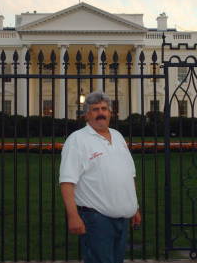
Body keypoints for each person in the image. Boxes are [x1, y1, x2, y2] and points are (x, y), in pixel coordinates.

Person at [59, 91, 141, 263]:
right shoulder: (77, 140)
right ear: (87, 115)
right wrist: (73, 216)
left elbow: (129, 175)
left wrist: (135, 207)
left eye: (104, 109)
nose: (101, 113)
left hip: (123, 219)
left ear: (111, 112)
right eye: (95, 109)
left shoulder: (117, 137)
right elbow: (67, 182)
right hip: (96, 219)